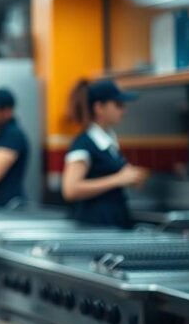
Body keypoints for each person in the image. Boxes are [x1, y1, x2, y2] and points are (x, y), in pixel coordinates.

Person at [62, 79, 148, 228]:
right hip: (94, 229)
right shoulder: (84, 144)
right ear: (99, 107)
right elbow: (70, 189)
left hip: (110, 225)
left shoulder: (107, 141)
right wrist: (118, 179)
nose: (123, 111)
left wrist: (131, 177)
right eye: (118, 105)